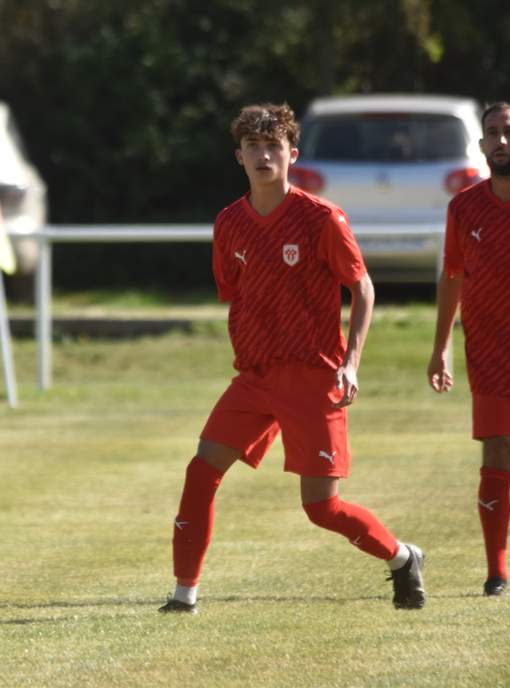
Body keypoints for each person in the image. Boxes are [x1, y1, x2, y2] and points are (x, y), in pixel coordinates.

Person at [160, 103, 425, 613]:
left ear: (292, 155)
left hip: (313, 376)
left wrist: (351, 363)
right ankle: (183, 595)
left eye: (273, 146)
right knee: (200, 471)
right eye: (254, 147)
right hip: (256, 379)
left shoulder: (322, 218)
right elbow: (237, 294)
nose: (264, 155)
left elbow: (362, 288)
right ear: (239, 156)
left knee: (321, 508)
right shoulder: (229, 223)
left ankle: (401, 557)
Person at [427, 101, 510, 597]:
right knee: (497, 450)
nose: (502, 141)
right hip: (488, 348)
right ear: (481, 146)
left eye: (509, 132)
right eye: (493, 134)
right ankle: (497, 571)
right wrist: (441, 347)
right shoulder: (464, 207)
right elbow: (453, 275)